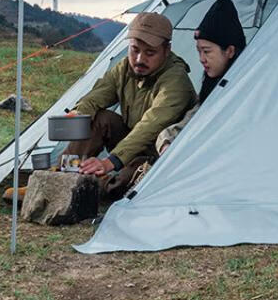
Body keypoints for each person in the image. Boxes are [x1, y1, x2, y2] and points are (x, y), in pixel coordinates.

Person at [64, 11, 196, 200]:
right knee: (99, 118)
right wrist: (78, 114)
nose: (140, 59)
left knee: (124, 187)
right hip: (130, 147)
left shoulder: (176, 81)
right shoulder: (125, 68)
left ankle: (90, 185)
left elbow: (150, 127)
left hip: (157, 156)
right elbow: (96, 96)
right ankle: (61, 177)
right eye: (135, 50)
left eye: (150, 53)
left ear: (166, 50)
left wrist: (111, 162)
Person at [154, 0, 247, 156]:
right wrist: (166, 142)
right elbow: (188, 122)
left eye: (207, 51)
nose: (201, 59)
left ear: (230, 51)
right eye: (199, 51)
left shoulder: (247, 86)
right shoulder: (212, 86)